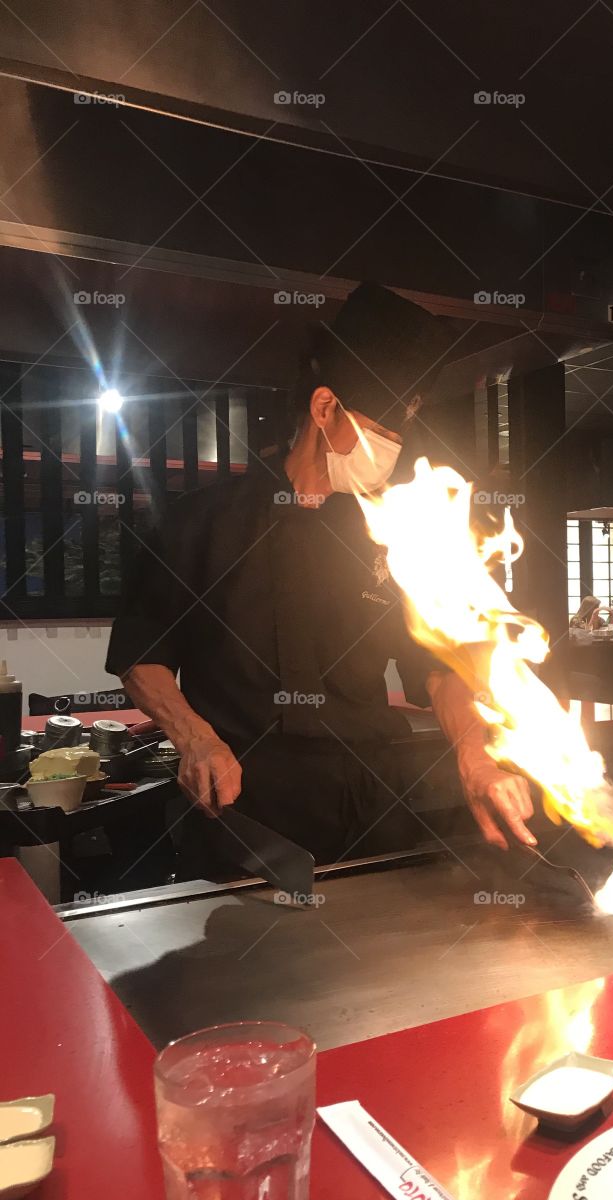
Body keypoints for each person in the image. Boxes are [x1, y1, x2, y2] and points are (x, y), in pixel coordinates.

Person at [106, 283, 538, 877]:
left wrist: (474, 752)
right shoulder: (199, 522)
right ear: (325, 408)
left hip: (374, 796)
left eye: (402, 429)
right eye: (382, 429)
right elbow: (141, 655)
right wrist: (195, 739)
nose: (393, 448)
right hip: (246, 798)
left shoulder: (393, 532)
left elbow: (441, 667)